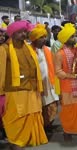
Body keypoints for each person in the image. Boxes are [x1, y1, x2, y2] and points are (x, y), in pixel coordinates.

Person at [0, 20, 48, 149]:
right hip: (14, 91)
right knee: (17, 118)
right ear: (12, 34)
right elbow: (1, 73)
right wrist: (1, 94)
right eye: (20, 32)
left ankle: (26, 139)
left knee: (31, 115)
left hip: (31, 89)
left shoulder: (28, 47)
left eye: (25, 32)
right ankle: (15, 141)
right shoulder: (4, 49)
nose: (23, 34)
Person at [29, 24, 59, 133]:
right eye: (41, 37)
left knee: (52, 105)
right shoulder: (29, 51)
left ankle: (48, 125)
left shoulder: (48, 49)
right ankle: (41, 127)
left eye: (44, 37)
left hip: (49, 83)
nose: (44, 39)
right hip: (37, 83)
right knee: (40, 106)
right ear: (34, 39)